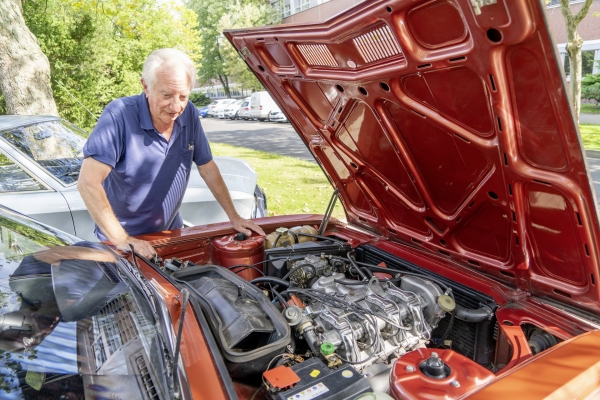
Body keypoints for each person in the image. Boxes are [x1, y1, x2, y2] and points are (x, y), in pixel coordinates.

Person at [78, 48, 265, 259]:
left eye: (183, 96)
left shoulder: (189, 113)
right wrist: (122, 239)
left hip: (169, 233)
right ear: (145, 86)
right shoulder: (118, 115)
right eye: (166, 95)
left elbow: (207, 168)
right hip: (122, 241)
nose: (176, 107)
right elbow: (88, 183)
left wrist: (234, 217)